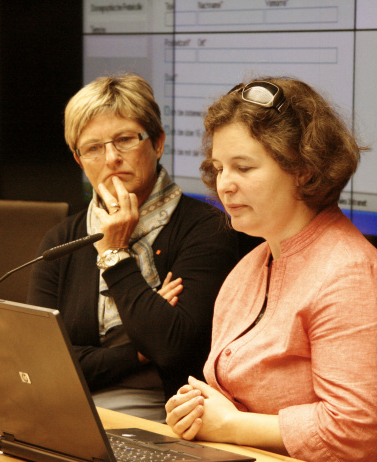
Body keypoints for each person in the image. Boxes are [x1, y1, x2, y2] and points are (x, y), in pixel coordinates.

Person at [165, 77, 377, 462]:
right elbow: (231, 397)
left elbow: (347, 435)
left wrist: (227, 425)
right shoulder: (248, 267)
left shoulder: (351, 277)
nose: (224, 185)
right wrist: (196, 409)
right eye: (218, 167)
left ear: (304, 170)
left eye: (243, 168)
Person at [28, 74, 238, 422]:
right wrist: (137, 352)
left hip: (164, 416)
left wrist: (115, 254)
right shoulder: (62, 240)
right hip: (62, 405)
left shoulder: (207, 230)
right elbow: (40, 361)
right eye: (93, 148)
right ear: (79, 160)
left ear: (157, 143)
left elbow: (173, 349)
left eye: (124, 140)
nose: (111, 158)